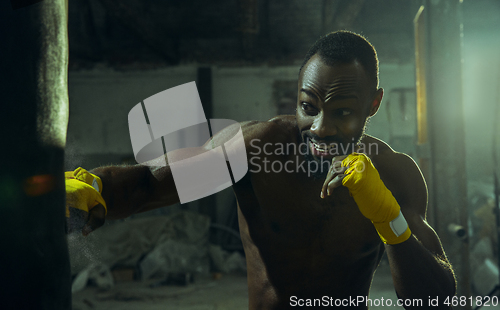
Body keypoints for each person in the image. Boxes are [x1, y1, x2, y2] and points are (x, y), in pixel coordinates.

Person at [66, 31, 456, 309]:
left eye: (342, 112)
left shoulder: (395, 175)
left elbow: (437, 300)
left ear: (373, 104)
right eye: (309, 107)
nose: (320, 127)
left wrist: (390, 221)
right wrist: (94, 186)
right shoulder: (255, 150)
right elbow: (151, 185)